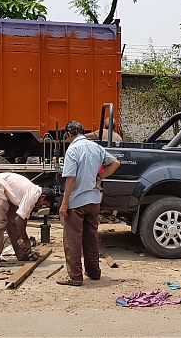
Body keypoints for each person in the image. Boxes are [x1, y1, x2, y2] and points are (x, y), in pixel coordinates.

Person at [57, 120, 120, 286]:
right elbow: (115, 163)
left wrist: (64, 204)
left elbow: (71, 178)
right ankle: (94, 272)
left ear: (69, 135)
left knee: (73, 240)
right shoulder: (95, 147)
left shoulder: (73, 150)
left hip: (77, 202)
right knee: (91, 238)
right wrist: (100, 177)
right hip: (93, 200)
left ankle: (75, 276)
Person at [0, 172, 56, 265]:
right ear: (43, 197)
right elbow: (20, 220)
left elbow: (22, 218)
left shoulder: (34, 197)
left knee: (12, 224)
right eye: (44, 204)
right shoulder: (33, 194)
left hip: (6, 192)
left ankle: (23, 254)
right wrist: (25, 240)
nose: (41, 206)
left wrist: (25, 241)